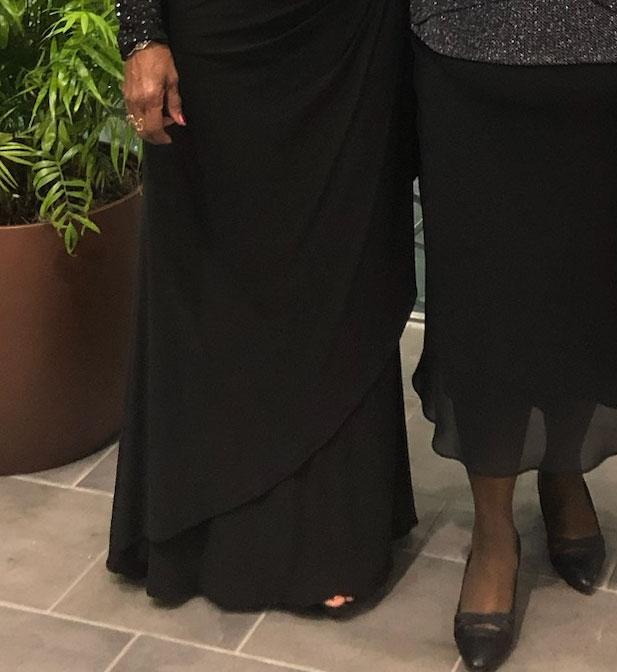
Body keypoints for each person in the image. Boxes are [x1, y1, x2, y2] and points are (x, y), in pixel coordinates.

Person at [107, 0, 420, 611]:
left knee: (338, 259)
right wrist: (140, 31)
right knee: (209, 262)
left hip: (343, 33)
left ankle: (332, 534)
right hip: (213, 34)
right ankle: (201, 527)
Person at [410, 1, 617, 668]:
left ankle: (563, 471)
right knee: (484, 301)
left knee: (590, 291)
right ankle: (492, 532)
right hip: (467, 42)